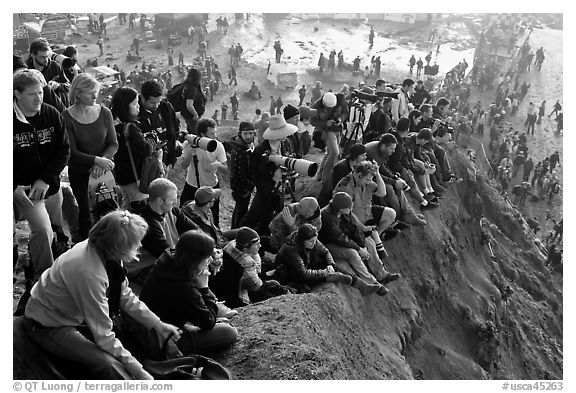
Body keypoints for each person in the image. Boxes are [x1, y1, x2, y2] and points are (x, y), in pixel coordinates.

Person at [22, 210, 181, 380]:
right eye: (136, 243)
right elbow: (103, 336)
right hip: (47, 326)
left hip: (67, 315)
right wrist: (139, 371)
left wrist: (158, 324)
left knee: (134, 334)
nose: (140, 246)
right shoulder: (88, 273)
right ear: (118, 246)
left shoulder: (104, 248)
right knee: (109, 364)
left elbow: (123, 294)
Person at [13, 69, 70, 291]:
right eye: (32, 94)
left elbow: (64, 149)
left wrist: (47, 178)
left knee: (55, 229)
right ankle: (43, 281)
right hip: (25, 190)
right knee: (43, 230)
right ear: (16, 94)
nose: (39, 98)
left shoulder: (51, 113)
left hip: (51, 186)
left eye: (41, 92)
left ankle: (37, 263)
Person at [139, 230, 238, 356]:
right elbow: (208, 322)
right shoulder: (182, 285)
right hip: (165, 340)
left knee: (220, 321)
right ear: (196, 259)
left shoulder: (168, 260)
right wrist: (204, 287)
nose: (209, 261)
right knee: (228, 332)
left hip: (157, 325)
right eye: (207, 257)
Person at [62, 73, 117, 241]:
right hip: (80, 174)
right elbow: (71, 152)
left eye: (96, 91)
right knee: (86, 215)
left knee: (110, 212)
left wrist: (102, 162)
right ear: (77, 93)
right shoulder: (66, 117)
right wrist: (96, 160)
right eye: (90, 92)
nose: (95, 96)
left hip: (104, 171)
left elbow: (113, 143)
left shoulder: (104, 112)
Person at [318, 193, 393, 296]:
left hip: (342, 238)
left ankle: (381, 273)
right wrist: (358, 249)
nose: (351, 208)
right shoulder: (327, 216)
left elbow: (354, 228)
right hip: (327, 244)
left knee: (369, 242)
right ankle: (372, 283)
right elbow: (340, 238)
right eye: (349, 207)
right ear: (341, 209)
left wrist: (362, 245)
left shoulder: (345, 212)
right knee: (352, 253)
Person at [128, 178, 199, 285]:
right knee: (184, 282)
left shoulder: (172, 210)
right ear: (160, 201)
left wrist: (208, 250)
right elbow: (168, 257)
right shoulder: (145, 223)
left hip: (164, 259)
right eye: (172, 200)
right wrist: (199, 262)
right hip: (142, 269)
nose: (175, 202)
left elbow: (196, 231)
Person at [239, 115, 298, 234]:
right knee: (254, 215)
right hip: (266, 188)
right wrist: (272, 172)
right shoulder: (261, 150)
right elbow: (256, 174)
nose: (286, 135)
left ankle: (265, 235)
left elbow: (288, 157)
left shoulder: (285, 143)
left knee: (269, 214)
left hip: (280, 185)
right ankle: (238, 235)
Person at [215, 227, 287, 307]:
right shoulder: (247, 262)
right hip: (239, 296)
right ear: (245, 248)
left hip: (226, 286)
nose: (260, 246)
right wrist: (256, 258)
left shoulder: (231, 244)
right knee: (274, 283)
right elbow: (256, 286)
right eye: (256, 245)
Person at [109, 87, 155, 208]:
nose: (138, 106)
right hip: (136, 178)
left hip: (121, 177)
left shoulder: (112, 125)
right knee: (140, 209)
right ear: (125, 106)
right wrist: (152, 140)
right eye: (134, 104)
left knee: (126, 207)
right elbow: (145, 150)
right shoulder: (131, 128)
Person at [333, 161, 398, 243]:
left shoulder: (366, 181)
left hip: (368, 212)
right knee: (370, 246)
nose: (369, 182)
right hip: (355, 220)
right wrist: (363, 227)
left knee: (391, 214)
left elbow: (382, 193)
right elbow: (347, 214)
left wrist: (377, 174)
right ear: (359, 175)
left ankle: (377, 235)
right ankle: (371, 239)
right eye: (367, 179)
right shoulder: (345, 187)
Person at [179, 118, 227, 226]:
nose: (215, 136)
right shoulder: (191, 143)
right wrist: (190, 154)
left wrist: (218, 165)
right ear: (202, 134)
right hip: (192, 185)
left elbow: (226, 170)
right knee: (184, 215)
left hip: (211, 187)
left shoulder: (218, 145)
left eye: (215, 132)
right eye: (212, 134)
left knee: (213, 220)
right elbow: (183, 165)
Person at [275, 223, 354, 287]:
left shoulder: (311, 237)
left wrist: (330, 264)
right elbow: (303, 274)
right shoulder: (291, 249)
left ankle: (354, 280)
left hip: (305, 264)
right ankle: (329, 277)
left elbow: (325, 252)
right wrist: (325, 272)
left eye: (315, 240)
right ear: (302, 240)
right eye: (311, 241)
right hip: (288, 274)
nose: (314, 243)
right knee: (306, 276)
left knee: (324, 261)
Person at [135, 80, 181, 168]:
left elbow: (176, 124)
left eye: (158, 102)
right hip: (146, 164)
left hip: (166, 158)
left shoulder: (165, 107)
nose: (156, 106)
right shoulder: (135, 113)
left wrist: (176, 139)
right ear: (142, 98)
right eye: (152, 103)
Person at [312, 91, 349, 200]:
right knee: (334, 152)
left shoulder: (340, 99)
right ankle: (326, 179)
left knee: (330, 153)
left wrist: (340, 119)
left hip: (338, 129)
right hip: (326, 131)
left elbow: (345, 112)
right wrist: (325, 123)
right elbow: (312, 121)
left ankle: (320, 174)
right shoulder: (316, 106)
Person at [229, 122, 256, 228]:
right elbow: (239, 173)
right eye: (245, 134)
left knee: (240, 210)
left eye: (250, 133)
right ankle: (235, 233)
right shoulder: (239, 150)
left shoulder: (247, 145)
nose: (248, 136)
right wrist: (250, 186)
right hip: (240, 187)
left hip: (245, 186)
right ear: (240, 134)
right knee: (241, 212)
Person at [181, 67, 207, 134]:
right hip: (192, 117)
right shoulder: (191, 89)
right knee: (194, 134)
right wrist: (195, 114)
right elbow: (189, 105)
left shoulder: (187, 86)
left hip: (189, 116)